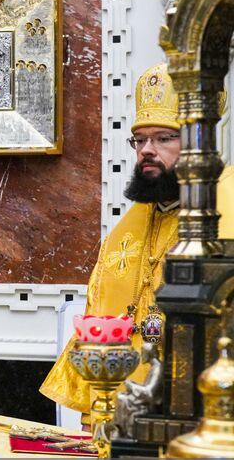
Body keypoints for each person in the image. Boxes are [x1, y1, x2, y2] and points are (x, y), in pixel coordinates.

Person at [41, 63, 234, 414]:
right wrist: (94, 414)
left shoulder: (229, 209)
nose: (147, 150)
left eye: (164, 138)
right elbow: (97, 325)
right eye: (140, 139)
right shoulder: (124, 232)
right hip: (123, 416)